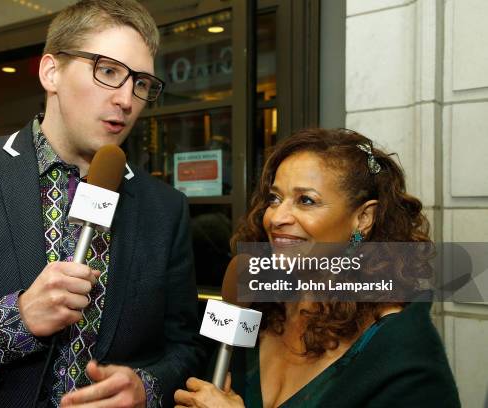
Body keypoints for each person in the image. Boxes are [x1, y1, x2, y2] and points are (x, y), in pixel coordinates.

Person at [0, 1, 202, 407]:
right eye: (108, 72)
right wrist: (15, 320)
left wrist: (147, 387)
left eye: (140, 83)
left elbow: (185, 347)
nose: (126, 99)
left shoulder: (164, 208)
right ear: (51, 71)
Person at [174, 128, 460, 407]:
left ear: (363, 218)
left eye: (306, 200)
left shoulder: (403, 350)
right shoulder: (259, 304)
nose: (276, 217)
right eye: (275, 198)